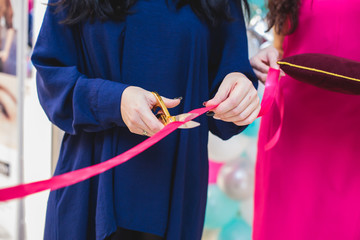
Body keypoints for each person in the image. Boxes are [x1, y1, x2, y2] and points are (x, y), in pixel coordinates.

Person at [31, 0, 261, 239]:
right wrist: (115, 101)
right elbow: (52, 81)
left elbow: (225, 100)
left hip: (175, 191)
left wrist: (238, 91)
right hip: (91, 187)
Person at [250, 0, 360, 239]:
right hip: (293, 122)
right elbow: (280, 43)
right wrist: (268, 51)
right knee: (287, 224)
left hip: (353, 128)